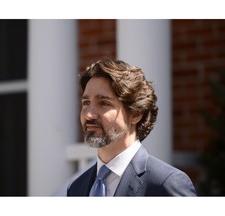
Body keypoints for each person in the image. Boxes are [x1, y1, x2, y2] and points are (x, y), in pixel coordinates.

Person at [67, 57, 197, 196]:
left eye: (104, 103)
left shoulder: (166, 183)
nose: (89, 114)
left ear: (135, 113)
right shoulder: (76, 188)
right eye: (86, 103)